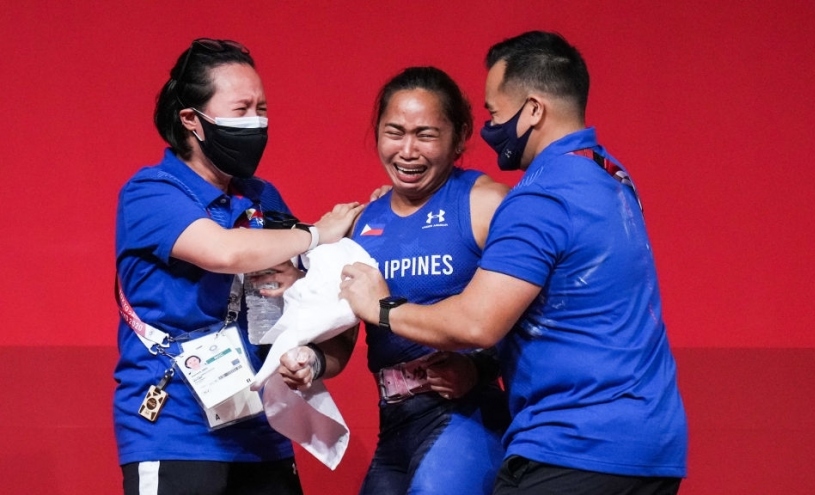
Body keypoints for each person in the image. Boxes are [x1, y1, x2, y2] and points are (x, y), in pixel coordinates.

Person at [341, 31, 687, 495]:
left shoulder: (537, 198)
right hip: (651, 447)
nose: (492, 128)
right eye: (395, 132)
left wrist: (382, 308)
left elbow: (478, 324)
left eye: (494, 113)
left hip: (574, 445)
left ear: (534, 110)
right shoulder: (611, 176)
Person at [114, 38, 362, 495]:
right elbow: (224, 252)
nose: (257, 122)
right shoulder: (151, 192)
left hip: (263, 430)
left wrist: (308, 336)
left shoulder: (263, 198)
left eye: (262, 109)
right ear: (192, 120)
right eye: (241, 110)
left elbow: (304, 300)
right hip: (176, 431)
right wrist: (317, 233)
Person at [341, 66, 511, 495]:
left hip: (466, 418)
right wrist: (304, 358)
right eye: (394, 132)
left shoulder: (486, 204)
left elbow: (536, 318)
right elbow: (338, 340)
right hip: (393, 425)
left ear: (459, 137)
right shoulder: (363, 222)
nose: (407, 151)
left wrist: (478, 367)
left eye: (426, 135)